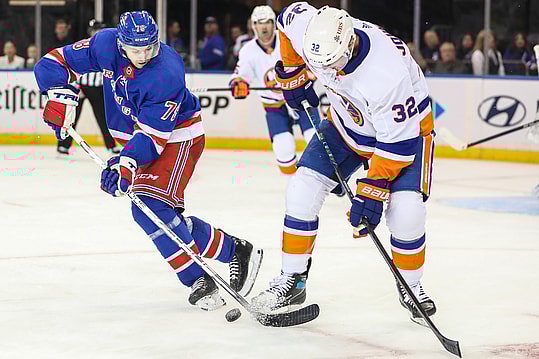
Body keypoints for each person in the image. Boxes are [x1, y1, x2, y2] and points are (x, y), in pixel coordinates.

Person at [34, 10, 262, 310]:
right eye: (134, 49)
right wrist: (59, 93)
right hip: (137, 139)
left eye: (149, 48)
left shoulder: (166, 71)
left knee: (149, 208)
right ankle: (234, 250)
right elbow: (53, 62)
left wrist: (125, 163)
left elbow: (152, 139)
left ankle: (197, 278)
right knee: (161, 215)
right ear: (120, 44)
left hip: (177, 136)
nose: (142, 56)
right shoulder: (105, 44)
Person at [251, 3, 437, 326]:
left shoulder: (386, 73)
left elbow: (398, 144)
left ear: (350, 43)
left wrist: (372, 192)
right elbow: (286, 20)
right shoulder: (312, 31)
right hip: (347, 123)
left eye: (333, 64)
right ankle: (292, 280)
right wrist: (292, 72)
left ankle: (411, 285)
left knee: (406, 213)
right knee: (300, 190)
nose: (330, 72)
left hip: (405, 134)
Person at [229, 5, 319, 175]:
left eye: (268, 22)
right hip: (273, 107)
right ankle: (296, 184)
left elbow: (309, 59)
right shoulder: (248, 50)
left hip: (300, 98)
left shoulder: (289, 39)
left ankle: (328, 177)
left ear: (274, 24)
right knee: (284, 150)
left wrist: (311, 70)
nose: (264, 27)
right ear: (253, 26)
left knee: (315, 140)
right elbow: (240, 74)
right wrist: (238, 83)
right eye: (259, 23)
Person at [56, 19, 121, 156]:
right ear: (91, 31)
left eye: (100, 29)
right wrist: (76, 86)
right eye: (96, 29)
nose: (99, 31)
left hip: (98, 87)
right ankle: (63, 145)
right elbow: (72, 65)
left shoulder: (109, 46)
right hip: (82, 86)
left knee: (104, 117)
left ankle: (110, 145)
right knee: (72, 116)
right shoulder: (83, 45)